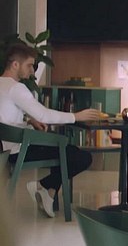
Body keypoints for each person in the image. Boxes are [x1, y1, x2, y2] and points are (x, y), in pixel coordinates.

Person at [0, 44, 100, 218]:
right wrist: (76, 116)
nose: (32, 71)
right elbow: (44, 115)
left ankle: (48, 191)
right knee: (81, 157)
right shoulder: (16, 88)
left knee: (67, 151)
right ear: (15, 64)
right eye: (29, 65)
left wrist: (28, 120)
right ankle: (44, 186)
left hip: (6, 148)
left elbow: (5, 115)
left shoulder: (2, 85)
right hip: (20, 151)